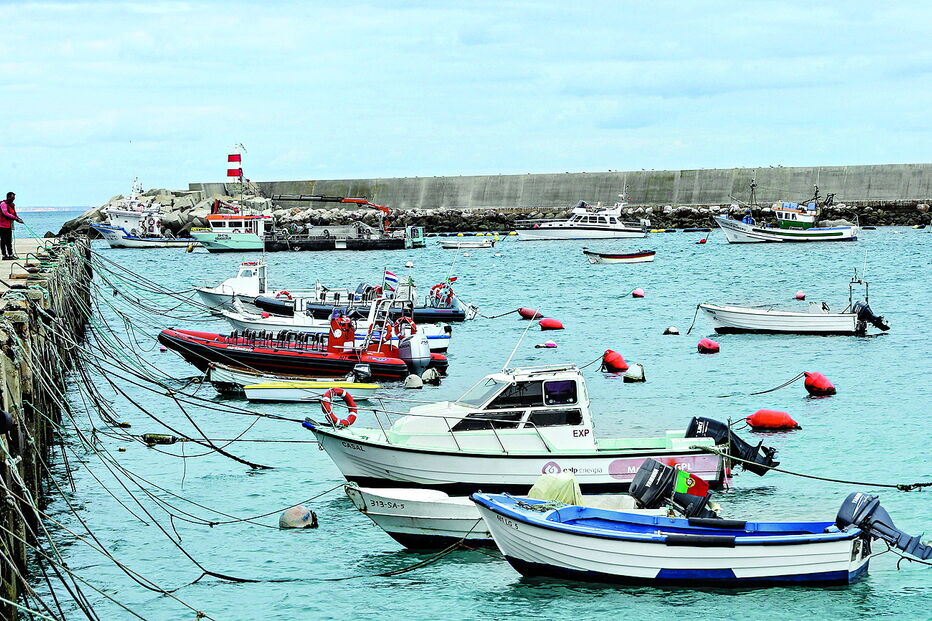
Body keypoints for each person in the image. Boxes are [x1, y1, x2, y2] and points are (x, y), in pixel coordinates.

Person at [0, 192, 24, 260]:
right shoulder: (3, 204)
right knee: (3, 241)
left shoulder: (12, 205)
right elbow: (5, 213)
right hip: (2, 226)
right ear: (8, 197)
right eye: (12, 198)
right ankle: (4, 255)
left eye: (14, 198)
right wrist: (15, 218)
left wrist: (18, 219)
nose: (13, 199)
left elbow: (14, 213)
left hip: (9, 225)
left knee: (9, 241)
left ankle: (10, 255)